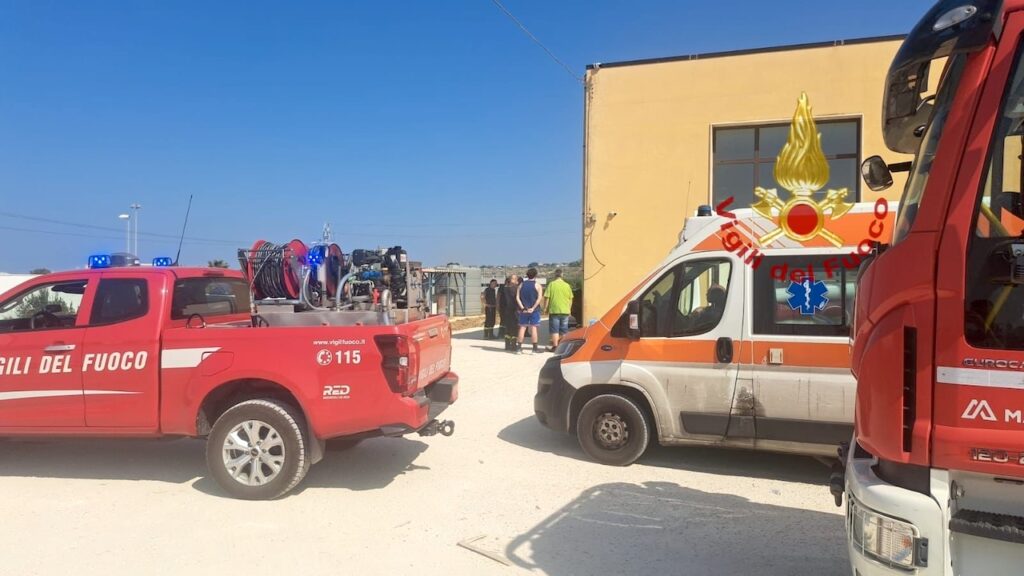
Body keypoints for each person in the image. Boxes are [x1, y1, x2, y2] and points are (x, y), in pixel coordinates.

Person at [544, 269, 574, 351]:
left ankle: (555, 347)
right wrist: (569, 309)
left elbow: (547, 298)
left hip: (554, 310)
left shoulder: (551, 284)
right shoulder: (567, 285)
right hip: (565, 311)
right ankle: (563, 347)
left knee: (554, 330)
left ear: (555, 275)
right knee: (564, 330)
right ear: (562, 275)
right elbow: (570, 299)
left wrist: (545, 309)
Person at [516, 268, 543, 353]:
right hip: (534, 310)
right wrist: (533, 308)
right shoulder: (537, 285)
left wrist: (522, 308)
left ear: (527, 275)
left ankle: (519, 348)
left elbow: (517, 297)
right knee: (534, 328)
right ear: (536, 275)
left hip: (524, 310)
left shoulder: (521, 285)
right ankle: (534, 349)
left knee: (522, 327)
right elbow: (539, 299)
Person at [501, 275, 521, 351]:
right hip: (514, 310)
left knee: (508, 328)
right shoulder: (516, 289)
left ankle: (507, 345)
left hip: (506, 311)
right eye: (515, 279)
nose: (516, 280)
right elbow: (518, 299)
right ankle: (513, 345)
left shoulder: (504, 288)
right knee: (514, 328)